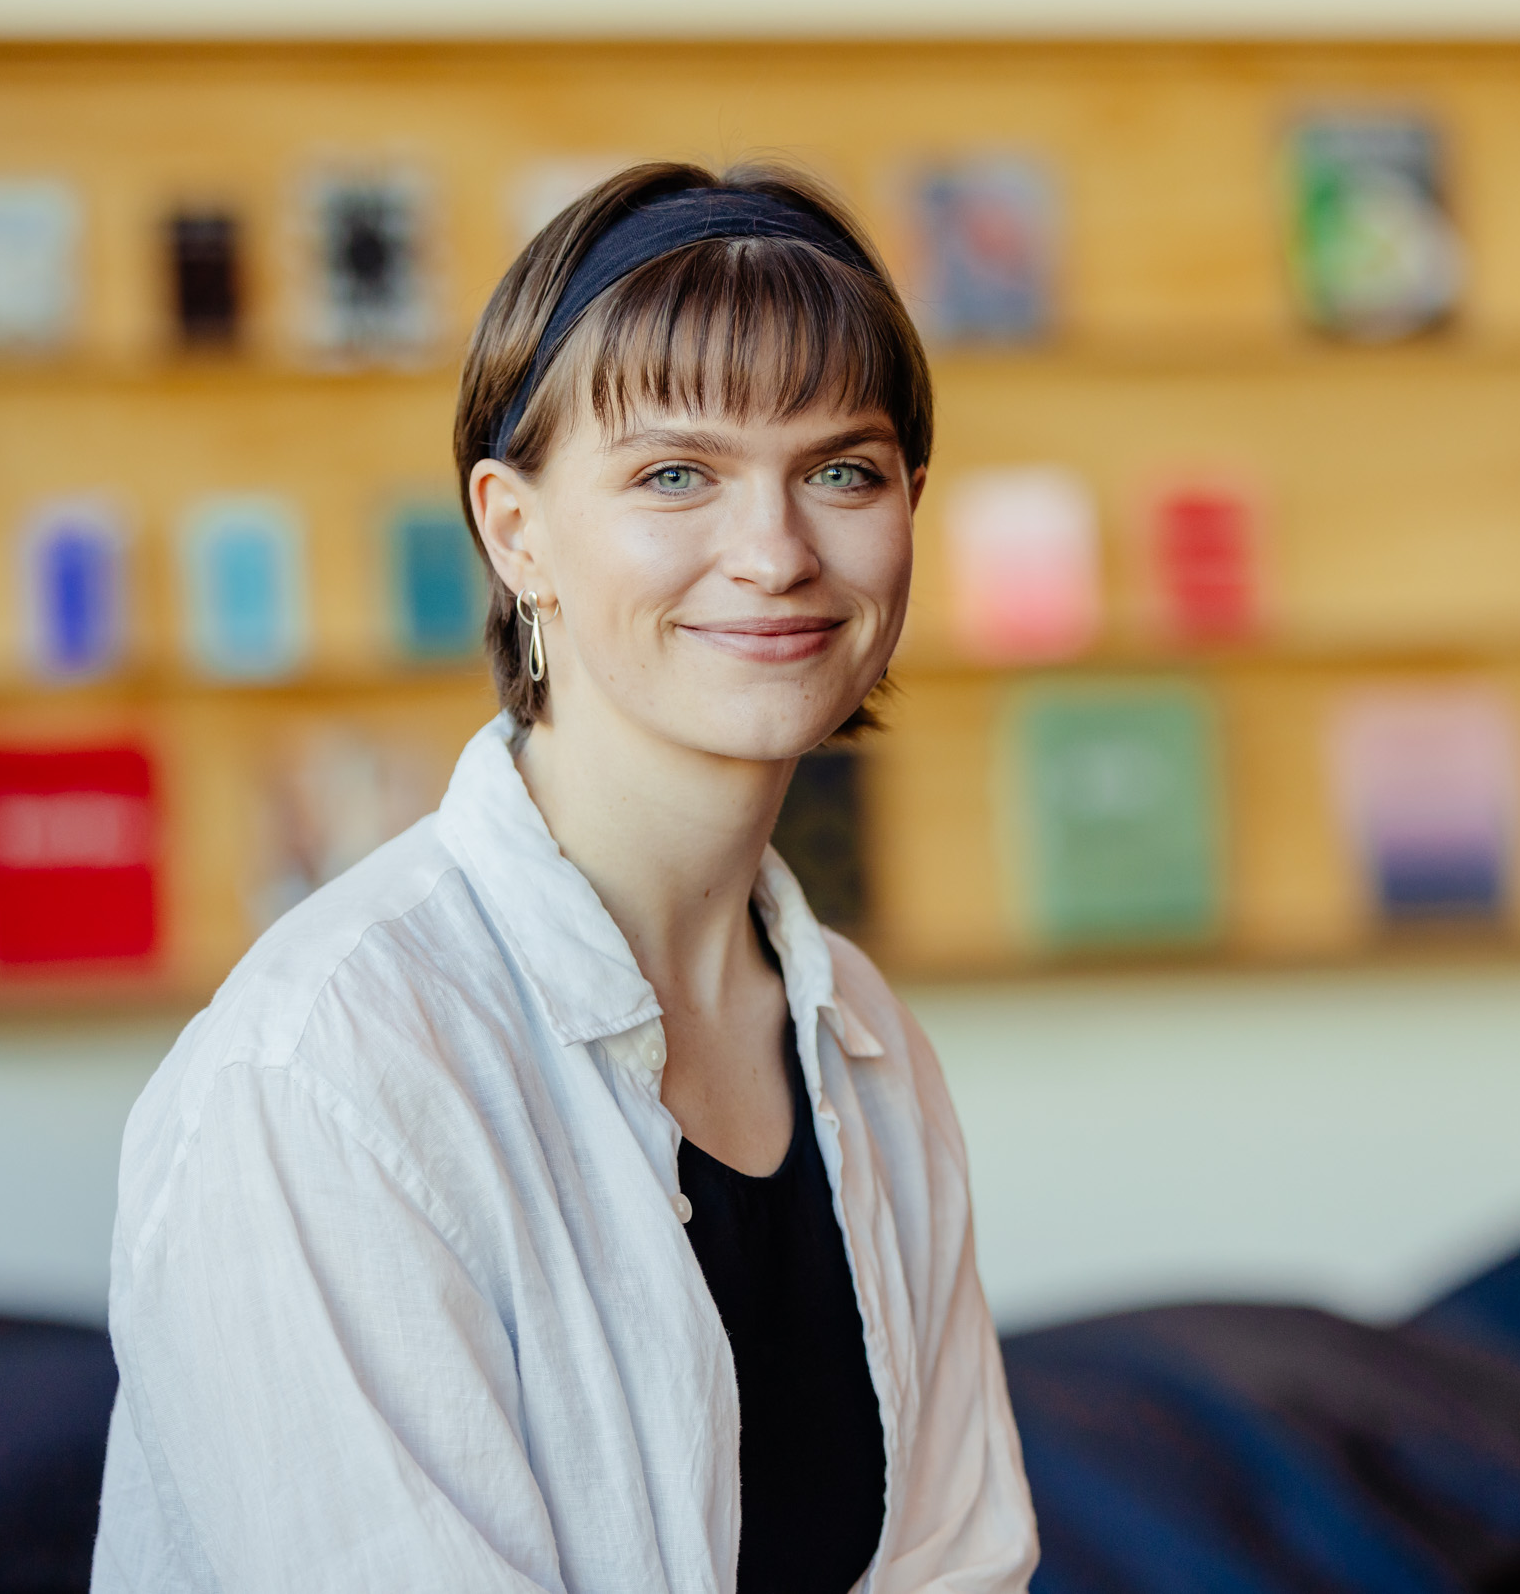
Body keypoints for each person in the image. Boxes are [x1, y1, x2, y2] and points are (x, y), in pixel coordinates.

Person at [94, 159, 1039, 1593]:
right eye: (677, 475)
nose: (777, 551)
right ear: (514, 529)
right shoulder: (324, 1068)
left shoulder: (863, 1034)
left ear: (909, 505)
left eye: (840, 470)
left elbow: (961, 1569)